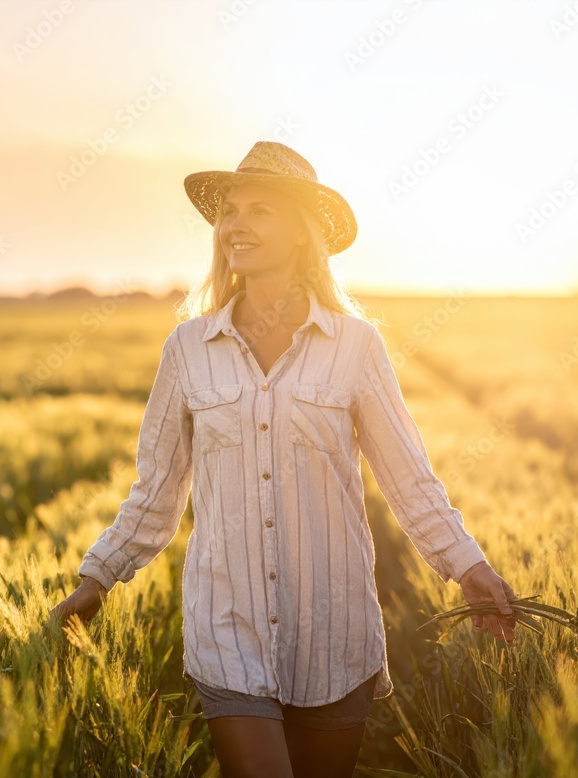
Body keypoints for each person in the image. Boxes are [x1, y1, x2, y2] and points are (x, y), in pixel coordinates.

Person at [44, 141, 517, 778]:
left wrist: (468, 566)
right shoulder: (189, 349)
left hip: (335, 636)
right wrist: (97, 578)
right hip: (226, 631)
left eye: (258, 210)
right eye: (229, 211)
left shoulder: (355, 346)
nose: (235, 224)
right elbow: (156, 491)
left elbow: (409, 478)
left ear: (303, 233)